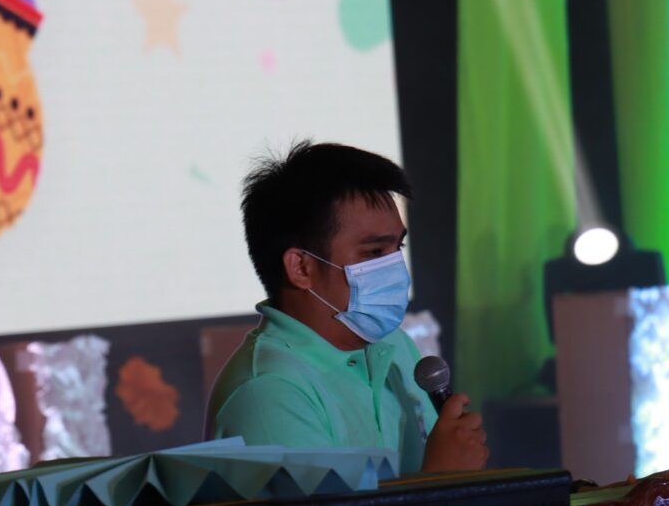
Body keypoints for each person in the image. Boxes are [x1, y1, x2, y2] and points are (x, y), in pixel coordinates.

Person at [205, 141, 488, 473]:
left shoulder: (395, 347)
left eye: (398, 247)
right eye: (374, 252)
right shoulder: (268, 393)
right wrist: (443, 475)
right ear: (301, 268)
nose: (395, 268)